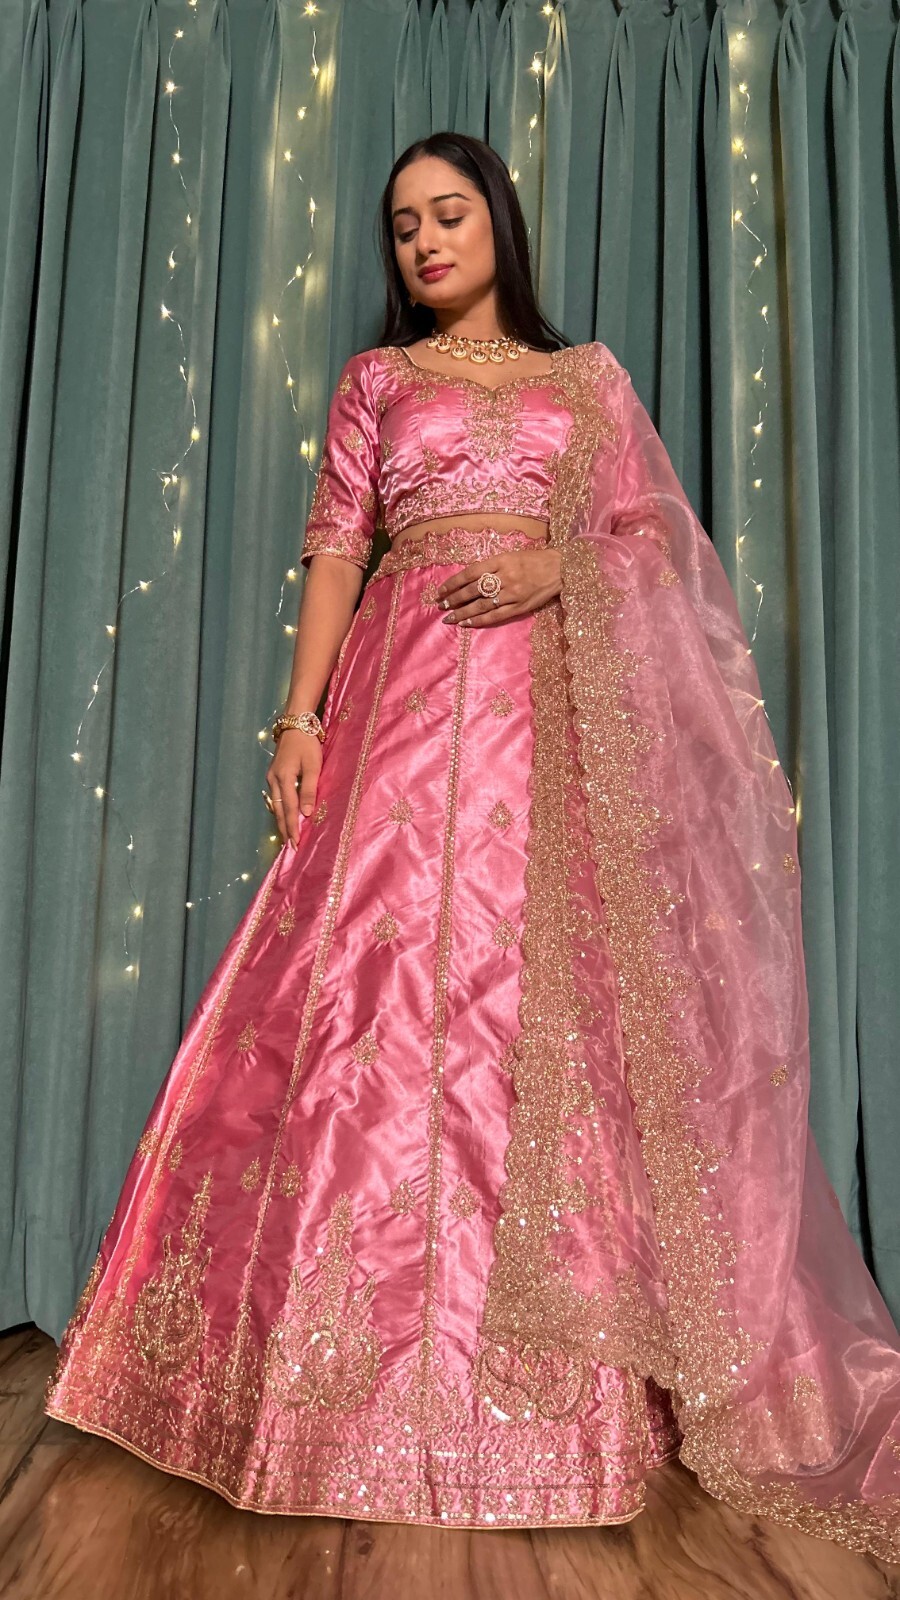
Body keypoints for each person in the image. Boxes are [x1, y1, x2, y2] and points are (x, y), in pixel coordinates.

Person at [44, 133, 900, 1558]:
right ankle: (315, 1394)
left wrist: (565, 562)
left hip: (546, 729)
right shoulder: (377, 382)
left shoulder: (588, 382)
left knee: (531, 1011)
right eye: (402, 227)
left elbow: (659, 546)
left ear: (499, 220)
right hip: (396, 708)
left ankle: (557, 1405)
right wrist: (299, 719)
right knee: (360, 1000)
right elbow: (338, 543)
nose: (426, 242)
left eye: (449, 214)